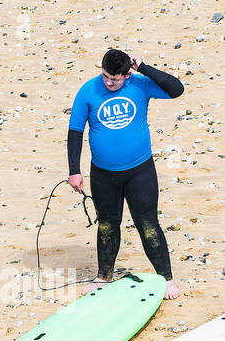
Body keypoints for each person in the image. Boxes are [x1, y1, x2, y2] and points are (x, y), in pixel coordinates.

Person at [68, 48, 184, 299]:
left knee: (148, 224)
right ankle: (104, 276)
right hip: (103, 175)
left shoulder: (140, 85)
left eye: (116, 79)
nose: (109, 82)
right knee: (107, 225)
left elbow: (177, 89)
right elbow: (75, 131)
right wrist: (74, 171)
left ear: (127, 75)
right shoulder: (88, 90)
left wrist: (143, 67)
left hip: (140, 172)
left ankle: (166, 278)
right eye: (106, 76)